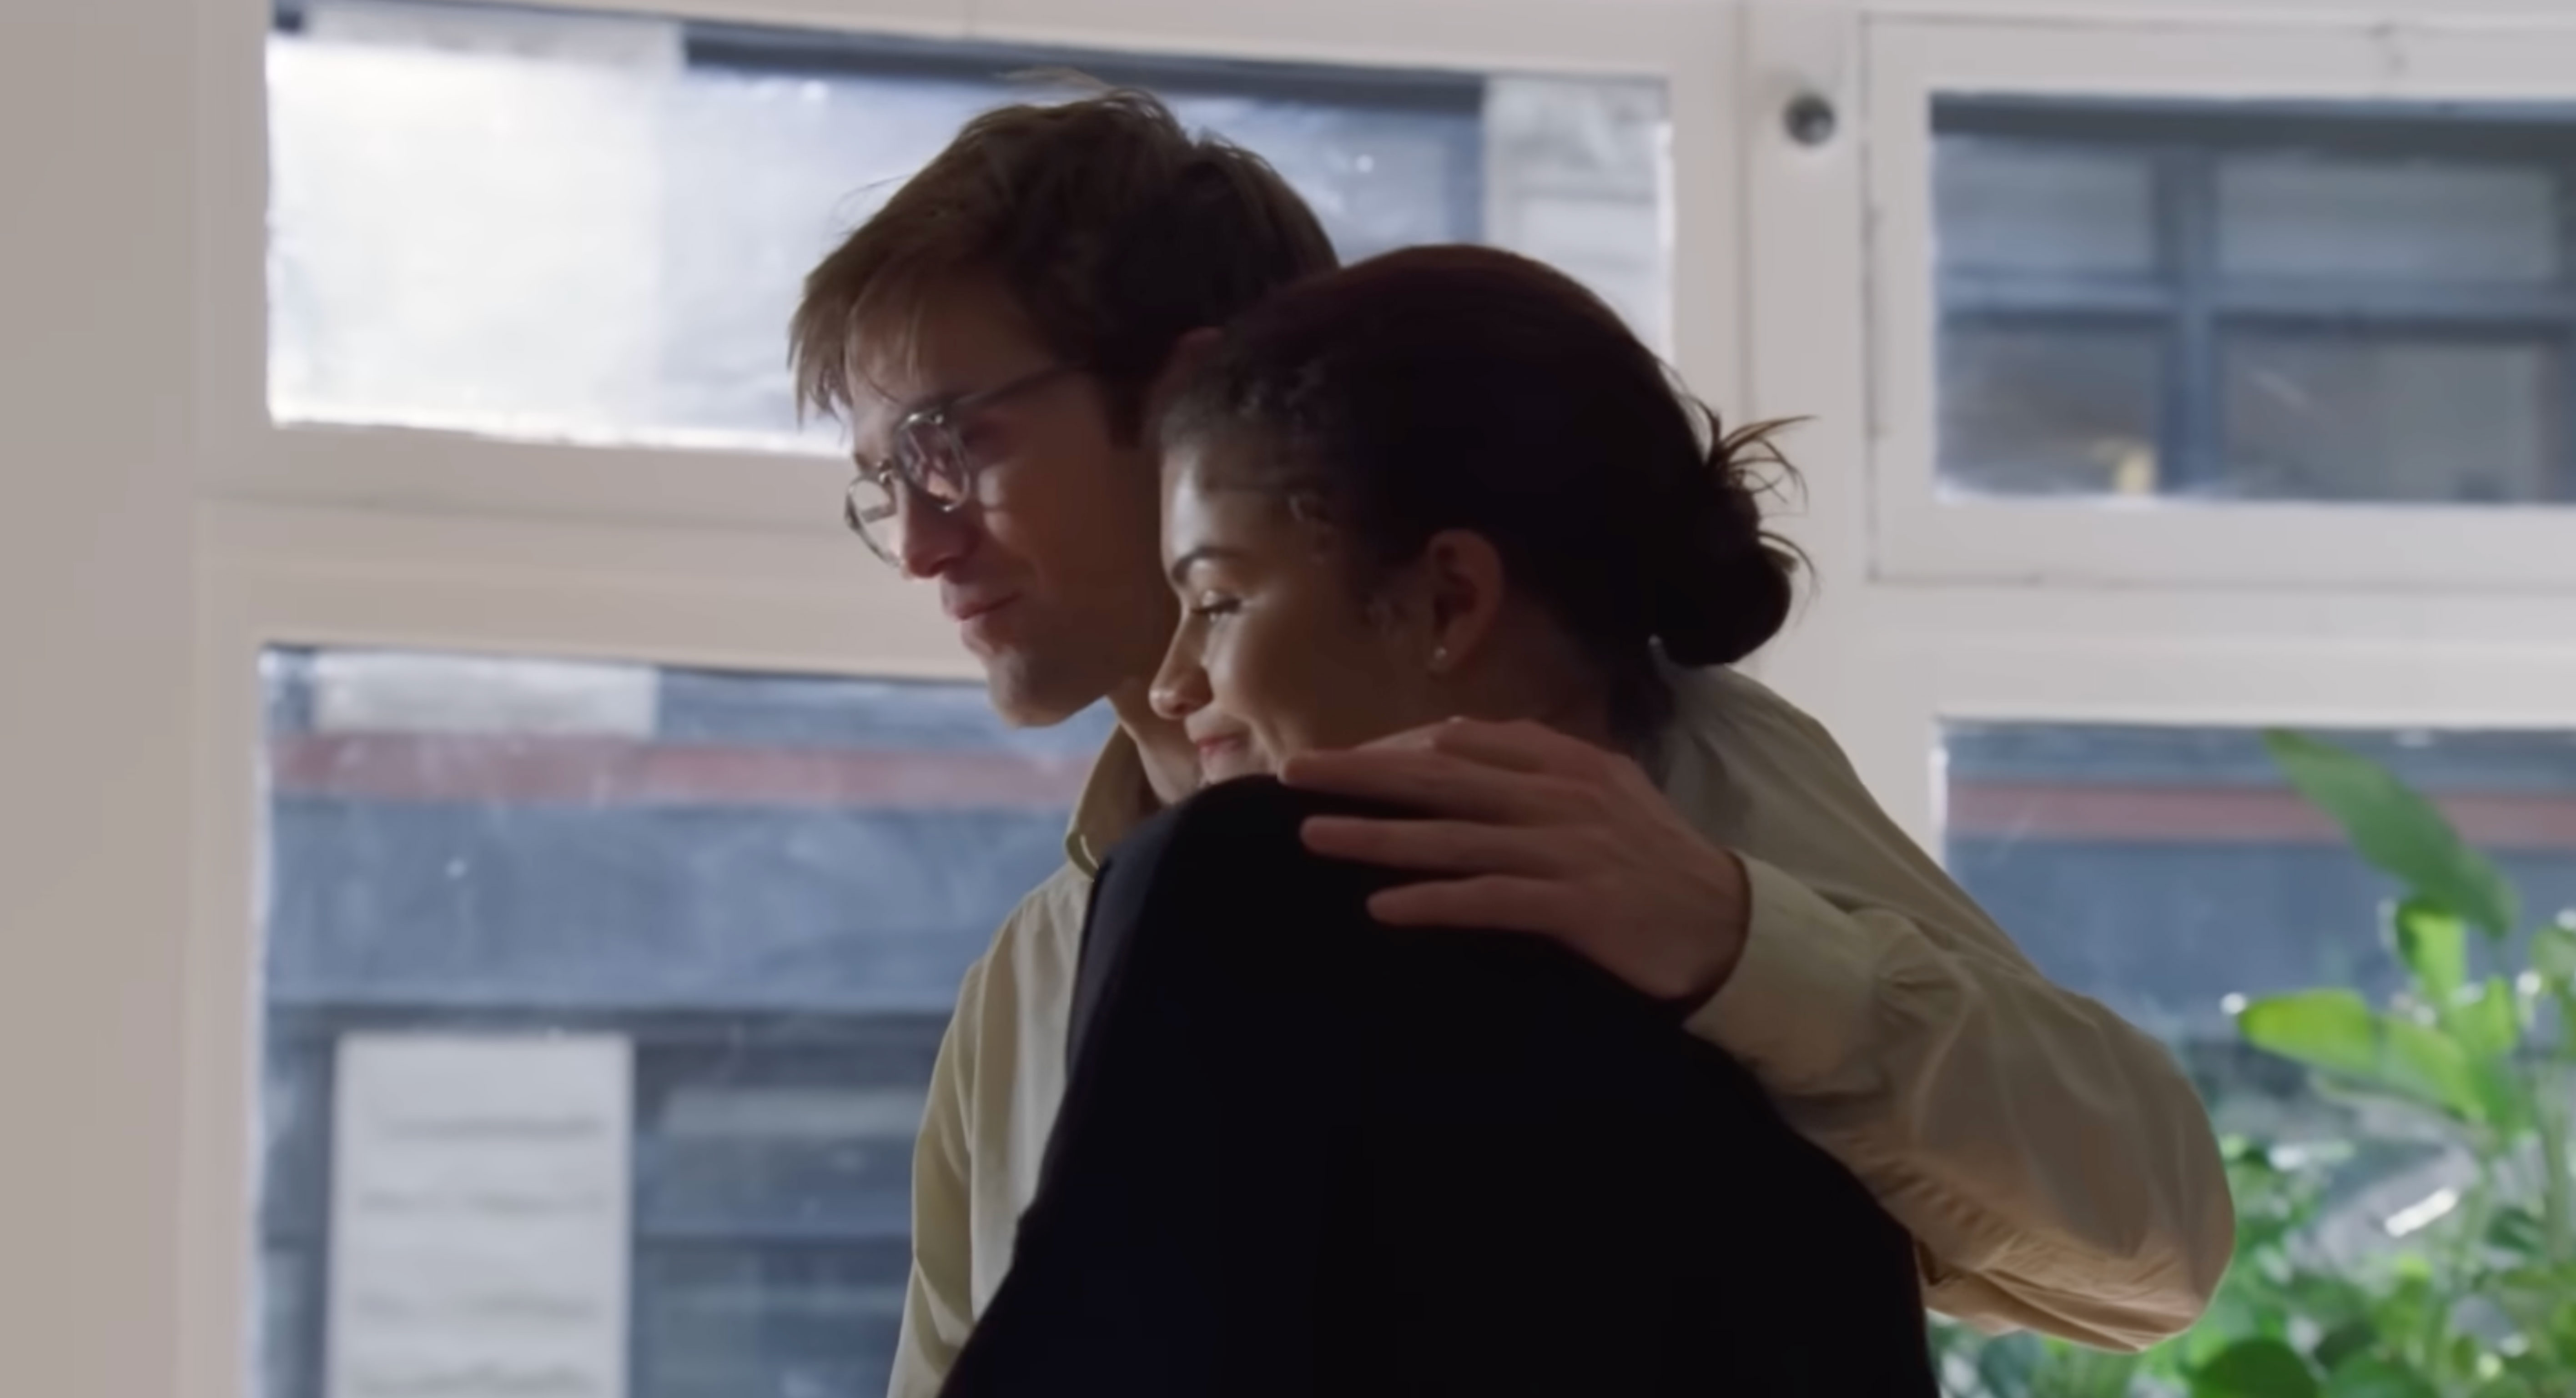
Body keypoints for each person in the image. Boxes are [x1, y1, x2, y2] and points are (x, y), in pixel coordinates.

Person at [787, 91, 2231, 1398]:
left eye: (945, 446)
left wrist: (1738, 941)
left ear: (1180, 400)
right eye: (879, 486)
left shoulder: (1652, 778)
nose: (915, 542)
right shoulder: (1029, 977)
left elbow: (2153, 1246)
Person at [936, 245, 1942, 1396]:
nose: (1171, 683)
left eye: (1218, 600)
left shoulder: (1239, 875)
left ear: (1446, 600)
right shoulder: (1820, 1094)